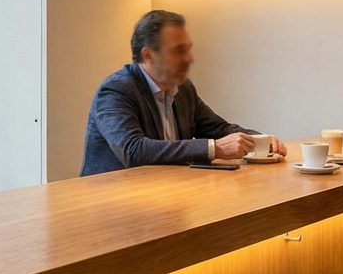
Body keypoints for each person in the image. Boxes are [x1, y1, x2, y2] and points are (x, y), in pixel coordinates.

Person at [81, 10, 281, 176]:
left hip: (167, 194)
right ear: (149, 55)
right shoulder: (116, 90)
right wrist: (215, 149)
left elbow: (218, 128)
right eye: (178, 51)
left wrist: (260, 140)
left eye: (188, 50)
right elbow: (134, 151)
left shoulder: (183, 88)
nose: (189, 58)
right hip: (113, 203)